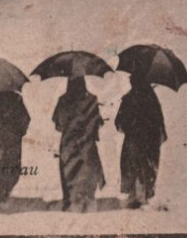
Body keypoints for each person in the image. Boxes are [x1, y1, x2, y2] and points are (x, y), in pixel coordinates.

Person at [52, 76, 106, 211]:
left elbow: (58, 125)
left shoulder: (63, 100)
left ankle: (70, 202)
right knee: (87, 171)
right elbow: (96, 124)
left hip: (69, 144)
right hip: (87, 144)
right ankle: (87, 201)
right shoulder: (92, 99)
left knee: (68, 171)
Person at [115, 75, 167, 208]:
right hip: (150, 141)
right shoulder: (152, 99)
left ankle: (134, 196)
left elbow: (119, 122)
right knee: (148, 167)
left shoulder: (128, 98)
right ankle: (147, 195)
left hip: (133, 140)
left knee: (132, 166)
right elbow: (159, 122)